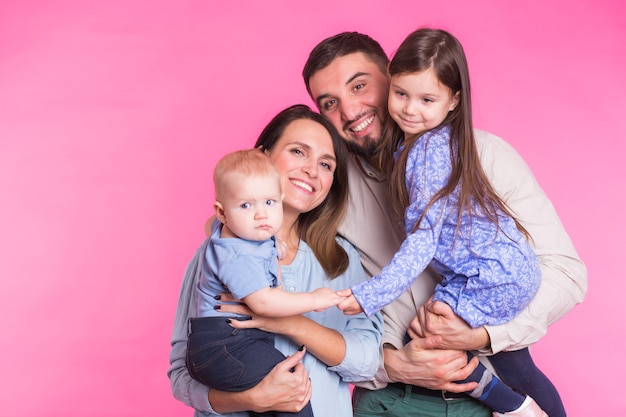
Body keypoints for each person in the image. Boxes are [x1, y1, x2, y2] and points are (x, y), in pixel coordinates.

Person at [302, 31, 587, 417]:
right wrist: (389, 363)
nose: (350, 111)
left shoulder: (482, 155)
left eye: (360, 86)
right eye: (330, 102)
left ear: (393, 75)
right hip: (386, 398)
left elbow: (567, 275)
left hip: (480, 397)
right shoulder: (326, 185)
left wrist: (483, 336)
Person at [168, 104, 384, 417]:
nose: (312, 169)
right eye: (298, 152)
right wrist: (252, 399)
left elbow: (367, 362)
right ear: (262, 157)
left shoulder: (341, 259)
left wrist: (289, 323)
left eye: (326, 164)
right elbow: (181, 374)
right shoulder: (215, 254)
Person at [186, 148, 348, 417]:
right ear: (222, 213)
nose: (261, 214)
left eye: (270, 203)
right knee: (291, 387)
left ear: (280, 200)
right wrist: (314, 299)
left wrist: (274, 246)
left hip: (234, 342)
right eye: (246, 205)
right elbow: (263, 302)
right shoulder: (235, 254)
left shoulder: (249, 236)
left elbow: (257, 240)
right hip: (223, 345)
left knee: (286, 387)